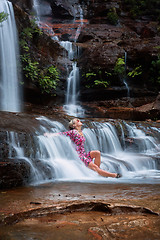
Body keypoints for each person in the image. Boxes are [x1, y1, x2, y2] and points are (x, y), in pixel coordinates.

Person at [44, 118, 121, 178]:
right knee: (94, 167)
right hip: (79, 156)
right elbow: (62, 134)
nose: (78, 120)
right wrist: (50, 135)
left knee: (97, 153)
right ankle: (113, 175)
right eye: (76, 121)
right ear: (74, 125)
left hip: (83, 154)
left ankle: (98, 171)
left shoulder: (81, 132)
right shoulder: (73, 132)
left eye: (78, 120)